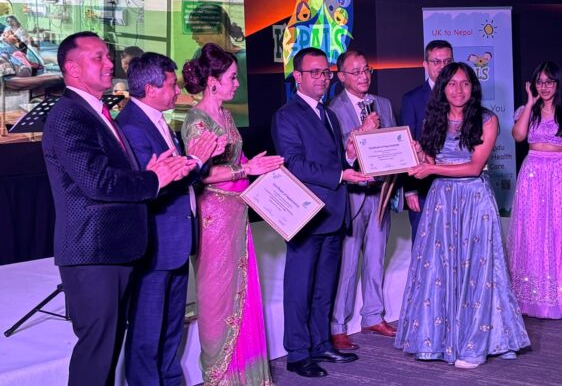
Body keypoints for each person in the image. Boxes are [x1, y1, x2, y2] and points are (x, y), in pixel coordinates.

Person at [42, 31, 192, 386]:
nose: (110, 63)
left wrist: (152, 174)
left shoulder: (98, 112)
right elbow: (96, 182)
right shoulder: (69, 115)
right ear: (72, 68)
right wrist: (154, 179)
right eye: (98, 57)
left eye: (108, 56)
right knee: (97, 355)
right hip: (93, 252)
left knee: (107, 353)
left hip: (114, 249)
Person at [394, 62, 530, 369]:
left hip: (474, 200)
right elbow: (431, 158)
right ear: (442, 88)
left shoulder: (487, 120)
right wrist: (418, 153)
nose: (459, 90)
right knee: (440, 267)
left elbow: (473, 167)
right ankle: (439, 341)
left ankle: (474, 344)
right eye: (452, 84)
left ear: (473, 87)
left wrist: (431, 167)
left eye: (465, 83)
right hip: (441, 201)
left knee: (476, 271)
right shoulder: (434, 118)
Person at [117, 52, 222, 385]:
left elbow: (183, 174)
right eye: (171, 85)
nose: (178, 91)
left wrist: (201, 159)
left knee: (171, 328)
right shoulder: (132, 126)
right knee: (147, 332)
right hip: (156, 243)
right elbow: (154, 185)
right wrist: (195, 160)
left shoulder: (156, 119)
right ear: (150, 88)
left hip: (176, 239)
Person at [181, 42, 284, 385]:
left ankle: (247, 377)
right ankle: (220, 376)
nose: (237, 83)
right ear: (212, 82)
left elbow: (239, 160)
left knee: (243, 290)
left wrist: (259, 168)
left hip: (237, 211)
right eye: (232, 78)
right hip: (213, 218)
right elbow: (200, 173)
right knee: (217, 297)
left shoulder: (225, 115)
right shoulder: (196, 121)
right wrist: (246, 170)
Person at [271, 47, 372, 378]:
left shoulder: (328, 114)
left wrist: (351, 159)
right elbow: (295, 164)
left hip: (333, 212)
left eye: (325, 72)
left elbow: (338, 162)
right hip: (305, 214)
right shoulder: (287, 115)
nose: (322, 78)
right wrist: (342, 174)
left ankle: (320, 344)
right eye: (314, 72)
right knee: (299, 287)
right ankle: (298, 353)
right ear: (297, 77)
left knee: (325, 286)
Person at [506, 61, 562, 320]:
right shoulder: (527, 111)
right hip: (531, 176)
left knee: (558, 232)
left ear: (558, 83)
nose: (544, 87)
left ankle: (558, 297)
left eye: (549, 82)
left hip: (558, 175)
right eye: (540, 82)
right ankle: (529, 296)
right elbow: (518, 136)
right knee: (531, 232)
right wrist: (529, 103)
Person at [327, 50, 397, 351]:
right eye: (356, 72)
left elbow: (394, 146)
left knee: (376, 258)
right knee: (347, 263)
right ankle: (337, 326)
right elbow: (335, 155)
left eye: (367, 69)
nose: (364, 76)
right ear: (341, 77)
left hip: (379, 193)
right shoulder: (333, 109)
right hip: (351, 196)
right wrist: (361, 133)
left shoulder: (384, 104)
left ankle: (373, 315)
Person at [400, 39, 453, 243]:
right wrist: (410, 189)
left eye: (447, 61)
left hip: (456, 182)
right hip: (423, 185)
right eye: (436, 61)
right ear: (425, 64)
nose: (442, 67)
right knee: (423, 243)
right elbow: (407, 145)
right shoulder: (412, 99)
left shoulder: (463, 96)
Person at [188, 3, 248, 124]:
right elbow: (184, 80)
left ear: (220, 29)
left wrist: (216, 105)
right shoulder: (200, 54)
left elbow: (258, 107)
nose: (194, 37)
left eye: (199, 31)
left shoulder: (243, 60)